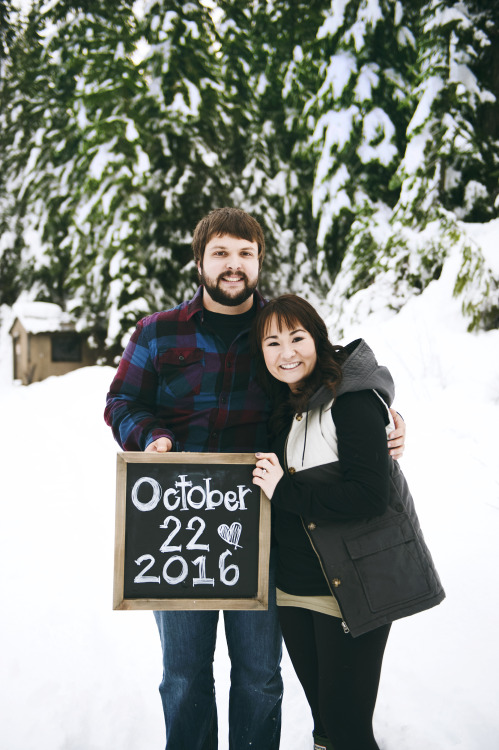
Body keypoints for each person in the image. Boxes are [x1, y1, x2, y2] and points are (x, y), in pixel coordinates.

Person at [104, 208, 407, 750]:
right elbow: (121, 400)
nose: (233, 265)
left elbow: (338, 374)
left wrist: (384, 411)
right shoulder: (157, 332)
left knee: (260, 674)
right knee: (184, 675)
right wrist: (149, 437)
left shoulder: (277, 330)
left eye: (245, 253)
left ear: (259, 260)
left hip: (262, 521)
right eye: (220, 252)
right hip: (176, 524)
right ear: (200, 260)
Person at [251, 294, 445, 750]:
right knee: (325, 723)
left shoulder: (352, 401)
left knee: (348, 729)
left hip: (348, 592)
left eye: (297, 338)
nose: (287, 352)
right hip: (294, 591)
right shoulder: (283, 405)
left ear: (318, 339)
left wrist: (286, 490)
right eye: (273, 343)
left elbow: (369, 496)